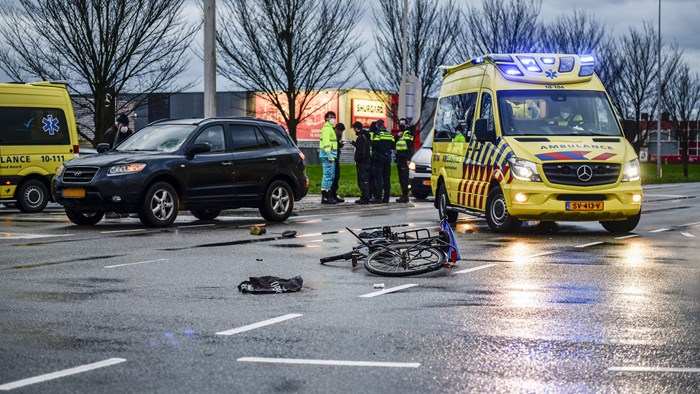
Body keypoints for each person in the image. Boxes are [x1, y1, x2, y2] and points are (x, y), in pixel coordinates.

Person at [370, 119, 394, 204]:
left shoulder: (378, 133)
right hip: (388, 158)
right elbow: (393, 145)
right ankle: (386, 198)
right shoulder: (389, 134)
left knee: (378, 178)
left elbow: (374, 145)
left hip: (379, 158)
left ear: (377, 125)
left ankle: (378, 198)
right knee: (386, 178)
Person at [319, 111, 338, 204]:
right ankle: (325, 197)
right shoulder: (327, 128)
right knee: (327, 176)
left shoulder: (330, 128)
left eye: (334, 117)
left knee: (330, 176)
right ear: (326, 118)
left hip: (330, 155)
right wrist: (329, 155)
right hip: (328, 155)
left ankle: (327, 195)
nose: (333, 119)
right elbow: (326, 143)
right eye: (331, 117)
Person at [394, 119, 414, 203]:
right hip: (399, 159)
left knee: (404, 178)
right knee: (401, 178)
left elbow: (410, 148)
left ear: (406, 125)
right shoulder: (400, 134)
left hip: (404, 159)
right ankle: (403, 195)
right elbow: (393, 142)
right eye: (400, 123)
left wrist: (409, 159)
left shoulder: (407, 134)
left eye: (403, 124)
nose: (401, 125)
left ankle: (405, 196)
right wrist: (397, 136)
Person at [351, 121, 371, 204]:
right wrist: (355, 144)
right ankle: (366, 196)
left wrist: (358, 159)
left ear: (356, 128)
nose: (354, 131)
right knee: (365, 179)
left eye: (354, 129)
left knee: (362, 180)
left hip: (362, 162)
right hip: (367, 161)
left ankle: (365, 197)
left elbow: (361, 151)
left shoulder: (360, 137)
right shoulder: (366, 136)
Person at [328, 122, 346, 203]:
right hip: (331, 158)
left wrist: (340, 144)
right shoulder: (331, 134)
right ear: (336, 129)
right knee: (332, 177)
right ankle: (330, 195)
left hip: (336, 157)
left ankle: (333, 194)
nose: (341, 133)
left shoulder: (337, 136)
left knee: (336, 176)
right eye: (340, 131)